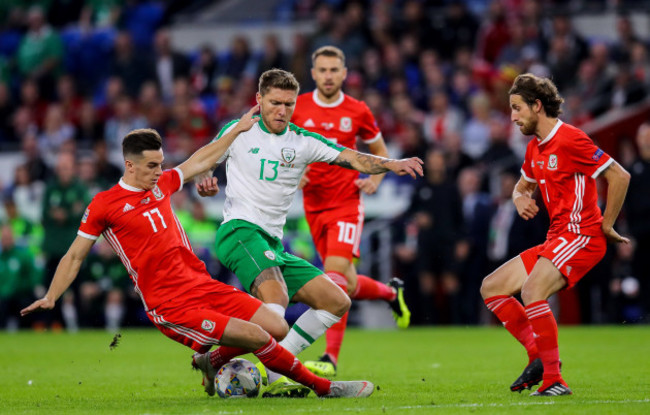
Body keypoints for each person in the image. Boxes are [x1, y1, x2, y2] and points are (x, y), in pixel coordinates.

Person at [21, 121, 375, 399]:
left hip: (202, 285)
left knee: (277, 325)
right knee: (257, 336)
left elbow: (201, 160)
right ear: (129, 165)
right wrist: (52, 296)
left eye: (161, 164)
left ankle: (211, 360)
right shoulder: (104, 205)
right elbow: (74, 255)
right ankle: (323, 388)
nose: (159, 171)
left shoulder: (161, 185)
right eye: (151, 166)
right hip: (170, 303)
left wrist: (236, 130)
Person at [196, 68, 423, 395]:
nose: (282, 111)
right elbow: (206, 159)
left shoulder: (303, 141)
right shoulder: (239, 130)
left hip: (272, 243)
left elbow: (351, 157)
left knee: (336, 300)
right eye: (275, 103)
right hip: (239, 232)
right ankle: (279, 379)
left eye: (288, 104)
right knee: (277, 305)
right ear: (259, 100)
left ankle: (220, 358)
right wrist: (204, 180)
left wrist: (391, 164)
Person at [480, 73, 630, 396]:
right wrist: (519, 198)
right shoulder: (534, 149)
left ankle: (554, 380)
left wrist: (606, 224)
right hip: (558, 237)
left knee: (532, 290)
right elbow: (523, 186)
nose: (513, 116)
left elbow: (619, 176)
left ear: (537, 106)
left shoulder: (571, 139)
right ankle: (538, 356)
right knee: (491, 288)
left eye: (517, 108)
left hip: (582, 235)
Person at [289, 45, 411, 376]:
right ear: (313, 74)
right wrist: (296, 171)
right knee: (348, 283)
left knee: (333, 279)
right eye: (322, 70)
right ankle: (390, 292)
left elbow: (380, 152)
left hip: (346, 204)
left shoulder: (357, 110)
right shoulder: (297, 108)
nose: (328, 76)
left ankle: (330, 358)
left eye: (334, 70)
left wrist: (376, 177)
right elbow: (286, 149)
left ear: (344, 73)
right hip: (313, 208)